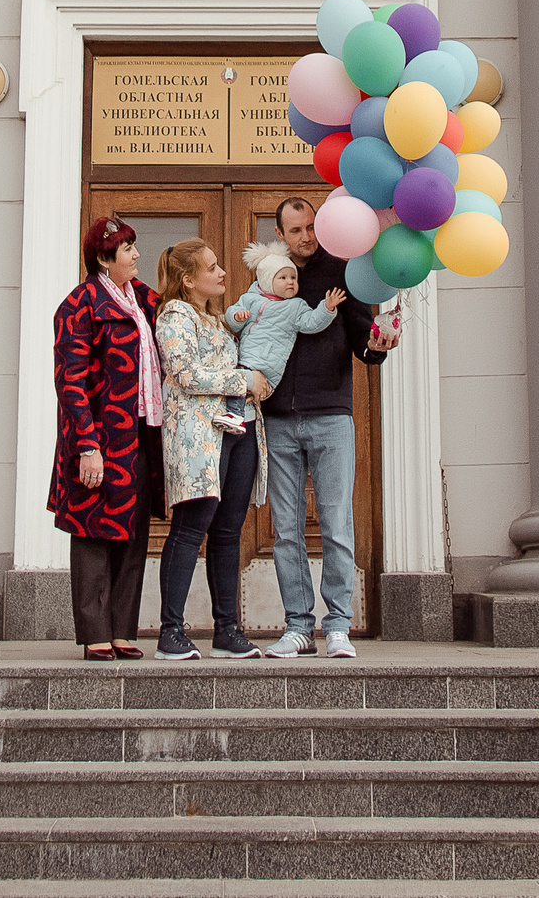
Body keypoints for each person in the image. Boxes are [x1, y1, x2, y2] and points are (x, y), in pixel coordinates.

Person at [260, 195, 402, 659]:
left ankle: (337, 624)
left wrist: (380, 344)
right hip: (278, 419)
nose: (305, 237)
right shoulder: (268, 277)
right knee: (286, 530)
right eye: (295, 230)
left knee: (337, 525)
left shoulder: (344, 270)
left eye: (311, 227)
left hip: (331, 417)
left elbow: (365, 339)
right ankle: (298, 627)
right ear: (279, 234)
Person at [48, 216, 164, 660]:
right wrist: (87, 446)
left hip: (139, 434)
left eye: (135, 246)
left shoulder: (144, 300)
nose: (136, 255)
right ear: (103, 257)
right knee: (94, 529)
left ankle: (122, 628)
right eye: (127, 248)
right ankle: (95, 630)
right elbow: (70, 381)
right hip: (99, 437)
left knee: (132, 530)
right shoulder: (80, 304)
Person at [150, 238, 270, 660]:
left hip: (238, 434)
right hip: (199, 440)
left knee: (227, 532)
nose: (222, 273)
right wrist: (244, 381)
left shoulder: (215, 320)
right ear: (187, 279)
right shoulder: (174, 315)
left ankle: (227, 630)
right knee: (189, 530)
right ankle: (170, 632)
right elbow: (185, 374)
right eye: (213, 267)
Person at [220, 239, 345, 428]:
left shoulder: (295, 307)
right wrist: (237, 317)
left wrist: (326, 308)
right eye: (283, 278)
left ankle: (234, 416)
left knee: (246, 383)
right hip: (246, 358)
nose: (290, 282)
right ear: (267, 281)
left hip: (269, 365)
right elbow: (231, 319)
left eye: (293, 278)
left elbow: (311, 323)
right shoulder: (250, 299)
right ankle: (237, 416)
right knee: (240, 383)